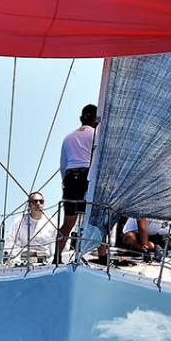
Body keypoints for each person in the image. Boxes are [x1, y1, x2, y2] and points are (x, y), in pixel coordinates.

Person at [56, 103, 97, 261]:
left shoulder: (68, 137)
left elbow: (63, 165)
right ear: (96, 119)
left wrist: (66, 184)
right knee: (95, 218)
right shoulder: (96, 134)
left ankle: (57, 256)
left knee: (68, 222)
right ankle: (102, 255)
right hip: (87, 176)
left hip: (70, 179)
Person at [6, 193, 57, 260]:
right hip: (25, 260)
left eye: (41, 201)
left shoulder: (52, 222)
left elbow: (62, 241)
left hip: (47, 261)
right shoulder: (19, 221)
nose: (38, 203)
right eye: (35, 201)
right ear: (29, 205)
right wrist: (19, 254)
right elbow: (10, 242)